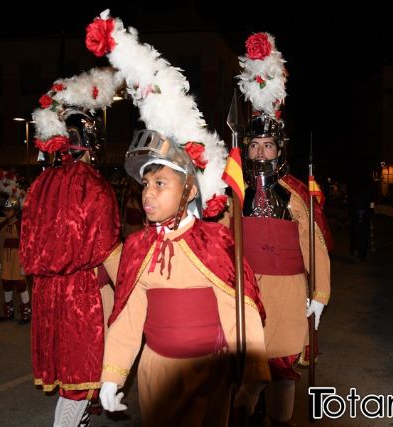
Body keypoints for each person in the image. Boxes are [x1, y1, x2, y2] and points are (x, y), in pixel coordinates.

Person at [86, 13, 270, 425]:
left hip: (209, 374)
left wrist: (252, 378)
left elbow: (237, 311)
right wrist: (112, 377)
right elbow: (128, 318)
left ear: (188, 190)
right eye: (145, 184)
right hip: (155, 372)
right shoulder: (136, 248)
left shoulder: (214, 244)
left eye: (160, 184)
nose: (148, 194)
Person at [236, 32, 332, 426]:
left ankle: (281, 421)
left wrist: (321, 293)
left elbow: (316, 245)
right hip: (246, 290)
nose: (260, 151)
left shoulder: (294, 193)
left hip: (288, 290)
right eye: (254, 145)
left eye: (268, 146)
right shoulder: (233, 190)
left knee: (282, 367)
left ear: (280, 150)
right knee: (248, 369)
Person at [20, 68, 123, 427]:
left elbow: (29, 245)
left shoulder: (39, 185)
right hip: (83, 293)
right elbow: (108, 249)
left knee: (70, 376)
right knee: (80, 379)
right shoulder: (95, 186)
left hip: (47, 292)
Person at [0, 196, 30, 324]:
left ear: (16, 210)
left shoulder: (21, 225)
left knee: (21, 285)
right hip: (6, 260)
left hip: (18, 259)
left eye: (9, 210)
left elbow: (26, 245)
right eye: (5, 210)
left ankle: (26, 314)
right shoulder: (3, 225)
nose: (6, 212)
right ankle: (8, 313)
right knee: (6, 285)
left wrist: (25, 263)